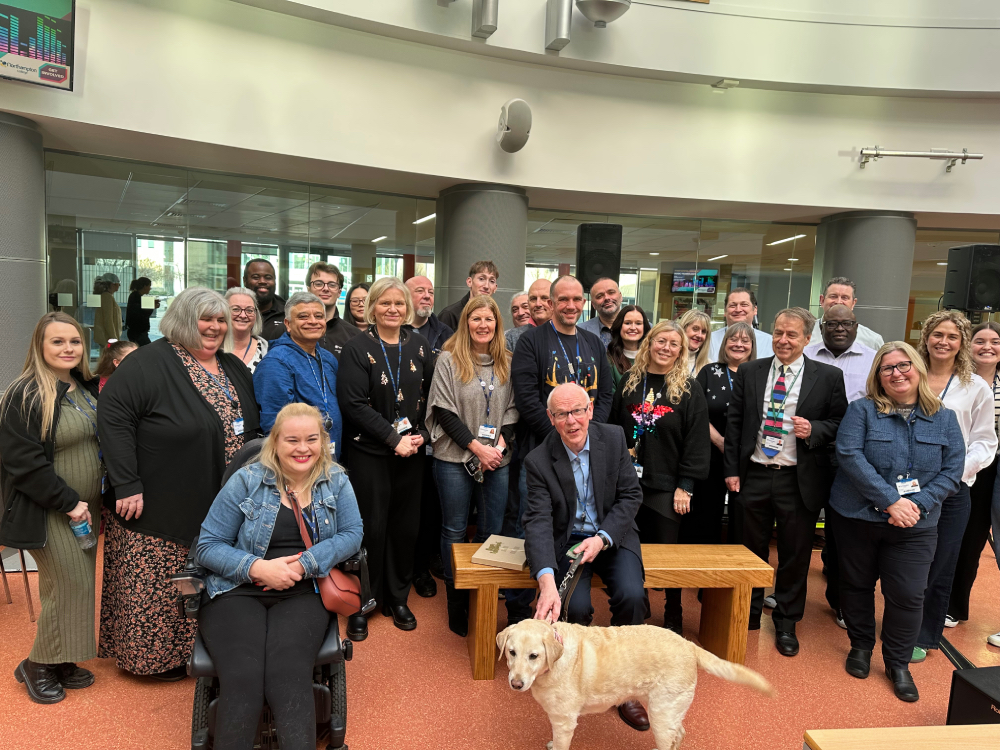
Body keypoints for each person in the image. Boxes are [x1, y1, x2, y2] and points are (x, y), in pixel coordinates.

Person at [97, 287, 261, 680]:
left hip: (219, 497)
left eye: (221, 319)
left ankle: (200, 652)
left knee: (206, 575)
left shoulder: (231, 366)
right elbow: (113, 417)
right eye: (206, 318)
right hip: (156, 499)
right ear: (183, 320)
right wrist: (126, 482)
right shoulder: (149, 363)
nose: (215, 326)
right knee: (158, 580)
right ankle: (152, 661)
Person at [195, 403, 363, 750]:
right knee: (243, 677)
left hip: (302, 593)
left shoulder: (337, 482)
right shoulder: (247, 481)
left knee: (288, 676)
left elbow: (351, 534)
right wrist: (257, 567)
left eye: (311, 439)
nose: (303, 448)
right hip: (237, 590)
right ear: (275, 442)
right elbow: (208, 545)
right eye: (292, 440)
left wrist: (305, 564)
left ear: (323, 441)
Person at [830, 342, 963, 702]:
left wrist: (914, 506)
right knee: (855, 585)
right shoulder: (861, 411)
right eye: (887, 368)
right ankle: (860, 646)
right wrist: (890, 500)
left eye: (903, 365)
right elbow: (849, 456)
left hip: (914, 526)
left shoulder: (945, 418)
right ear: (878, 377)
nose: (896, 373)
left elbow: (953, 472)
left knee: (907, 594)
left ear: (918, 369)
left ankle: (897, 662)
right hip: (857, 518)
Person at [724, 307, 847, 656]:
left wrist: (816, 430)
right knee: (749, 551)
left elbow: (840, 422)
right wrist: (731, 470)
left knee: (794, 556)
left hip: (798, 480)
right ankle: (746, 613)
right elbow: (735, 425)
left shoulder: (827, 377)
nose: (783, 340)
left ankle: (787, 622)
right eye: (778, 332)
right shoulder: (750, 371)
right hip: (754, 475)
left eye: (792, 334)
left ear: (808, 339)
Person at [525, 383, 647, 732]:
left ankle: (627, 689)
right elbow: (537, 522)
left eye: (578, 410)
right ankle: (578, 679)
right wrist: (546, 582)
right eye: (562, 414)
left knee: (632, 596)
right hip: (570, 543)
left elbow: (630, 496)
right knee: (573, 610)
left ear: (590, 410)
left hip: (611, 535)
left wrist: (603, 538)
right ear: (551, 418)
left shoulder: (613, 438)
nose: (572, 420)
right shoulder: (537, 461)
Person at [0, 313, 102, 705]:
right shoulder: (25, 393)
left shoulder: (83, 387)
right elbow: (23, 462)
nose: (68, 349)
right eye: (57, 342)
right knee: (70, 582)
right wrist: (68, 502)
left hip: (84, 509)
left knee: (72, 584)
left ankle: (61, 658)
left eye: (74, 341)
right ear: (40, 347)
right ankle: (38, 664)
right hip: (50, 509)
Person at [506, 275, 614, 624]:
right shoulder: (531, 342)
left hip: (587, 455)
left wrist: (587, 438)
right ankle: (519, 611)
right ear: (551, 303)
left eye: (576, 300)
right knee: (532, 529)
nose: (570, 305)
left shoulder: (594, 343)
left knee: (572, 526)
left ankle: (563, 599)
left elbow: (606, 395)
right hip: (543, 455)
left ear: (585, 303)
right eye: (562, 299)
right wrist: (564, 435)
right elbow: (526, 398)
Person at [337, 277, 434, 634]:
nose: (393, 309)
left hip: (412, 454)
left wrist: (420, 436)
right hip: (370, 453)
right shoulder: (356, 348)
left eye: (399, 303)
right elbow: (353, 404)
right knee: (369, 529)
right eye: (385, 303)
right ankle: (362, 601)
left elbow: (431, 398)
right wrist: (394, 438)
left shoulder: (420, 345)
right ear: (371, 307)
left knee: (404, 528)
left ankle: (397, 597)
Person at [609, 320, 710, 635]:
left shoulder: (688, 388)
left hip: (667, 488)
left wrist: (686, 486)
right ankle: (636, 604)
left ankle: (673, 610)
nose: (666, 348)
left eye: (674, 344)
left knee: (667, 556)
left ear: (681, 351)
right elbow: (613, 428)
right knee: (627, 550)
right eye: (661, 341)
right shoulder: (628, 381)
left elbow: (696, 441)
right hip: (628, 485)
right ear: (649, 343)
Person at [426, 296, 519, 636]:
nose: (483, 325)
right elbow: (444, 411)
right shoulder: (449, 360)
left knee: (491, 529)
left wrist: (501, 444)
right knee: (454, 528)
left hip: (498, 457)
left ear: (497, 324)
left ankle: (482, 592)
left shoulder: (508, 361)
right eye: (476, 319)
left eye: (489, 319)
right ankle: (457, 599)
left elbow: (513, 409)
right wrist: (478, 447)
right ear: (466, 322)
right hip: (455, 456)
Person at [911, 310, 996, 663]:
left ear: (961, 343)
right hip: (908, 485)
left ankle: (922, 634)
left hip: (952, 489)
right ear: (926, 337)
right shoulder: (908, 375)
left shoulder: (974, 385)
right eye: (937, 334)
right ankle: (898, 624)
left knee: (941, 562)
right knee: (906, 562)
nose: (943, 342)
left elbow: (984, 442)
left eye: (952, 336)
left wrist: (951, 473)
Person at [803, 303, 877, 624]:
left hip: (851, 457)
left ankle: (839, 599)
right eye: (832, 325)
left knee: (842, 531)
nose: (839, 329)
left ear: (856, 325)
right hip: (808, 452)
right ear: (821, 328)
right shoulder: (806, 354)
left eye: (845, 324)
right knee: (801, 524)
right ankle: (789, 591)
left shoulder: (873, 360)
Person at [949, 322, 1000, 630]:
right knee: (958, 536)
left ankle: (955, 605)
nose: (987, 346)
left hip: (994, 468)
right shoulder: (955, 382)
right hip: (961, 464)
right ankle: (943, 602)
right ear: (968, 346)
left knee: (976, 541)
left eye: (995, 341)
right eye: (980, 341)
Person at [691, 321, 757, 546]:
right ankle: (704, 574)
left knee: (744, 518)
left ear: (752, 346)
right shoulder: (710, 371)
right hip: (711, 455)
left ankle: (737, 572)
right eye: (733, 339)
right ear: (725, 343)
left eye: (745, 340)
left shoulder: (760, 375)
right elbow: (697, 414)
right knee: (706, 514)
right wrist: (721, 442)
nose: (739, 344)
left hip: (748, 458)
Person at [253, 292, 342, 455]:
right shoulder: (276, 362)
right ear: (288, 324)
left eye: (318, 316)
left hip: (330, 455)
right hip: (299, 458)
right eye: (303, 316)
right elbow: (275, 425)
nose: (313, 321)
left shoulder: (328, 358)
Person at [811, 277, 885, 351]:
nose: (838, 302)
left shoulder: (872, 341)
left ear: (853, 303)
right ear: (822, 300)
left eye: (844, 297)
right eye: (833, 296)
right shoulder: (805, 333)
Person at [306, 261, 361, 359]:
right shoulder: (291, 330)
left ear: (339, 292)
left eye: (332, 285)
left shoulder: (354, 336)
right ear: (308, 289)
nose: (326, 288)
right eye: (319, 284)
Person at [706, 288, 774, 361]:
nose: (738, 309)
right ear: (725, 311)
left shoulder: (770, 342)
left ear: (755, 310)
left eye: (744, 305)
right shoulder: (709, 340)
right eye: (732, 305)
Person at [439, 260, 499, 331]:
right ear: (469, 282)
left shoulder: (495, 316)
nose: (486, 286)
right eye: (481, 279)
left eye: (492, 281)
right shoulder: (449, 315)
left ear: (495, 288)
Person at [224, 287, 269, 373]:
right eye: (236, 309)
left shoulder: (267, 351)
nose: (243, 315)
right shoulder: (213, 347)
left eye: (249, 310)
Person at [606, 305, 651, 391]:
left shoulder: (653, 357)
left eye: (638, 323)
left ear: (644, 327)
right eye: (627, 323)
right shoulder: (609, 360)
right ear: (619, 326)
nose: (633, 328)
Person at [404, 275, 453, 352]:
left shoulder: (445, 333)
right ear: (405, 296)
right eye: (420, 291)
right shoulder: (394, 330)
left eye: (431, 292)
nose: (427, 296)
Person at [244, 258, 286, 339]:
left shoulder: (288, 312)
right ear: (245, 281)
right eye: (256, 277)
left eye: (268, 277)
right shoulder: (233, 311)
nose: (262, 281)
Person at [579, 277, 623, 347]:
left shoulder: (641, 329)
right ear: (593, 305)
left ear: (621, 297)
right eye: (599, 296)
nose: (607, 298)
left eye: (611, 293)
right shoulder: (579, 331)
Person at [124, 277, 159, 346]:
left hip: (136, 332)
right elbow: (142, 314)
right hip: (138, 332)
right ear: (144, 286)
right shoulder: (136, 297)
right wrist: (152, 307)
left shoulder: (135, 296)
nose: (150, 288)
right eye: (149, 286)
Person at [93, 272, 122, 348]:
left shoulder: (106, 296)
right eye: (118, 283)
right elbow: (108, 319)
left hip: (107, 337)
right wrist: (113, 338)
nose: (119, 285)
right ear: (113, 284)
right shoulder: (107, 297)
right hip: (107, 338)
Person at [679, 309, 712, 375]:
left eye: (703, 332)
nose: (699, 335)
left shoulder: (709, 365)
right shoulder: (669, 358)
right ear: (683, 329)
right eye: (695, 329)